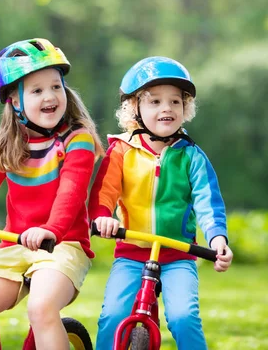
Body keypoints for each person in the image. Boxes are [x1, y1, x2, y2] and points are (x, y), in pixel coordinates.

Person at [0, 38, 103, 350]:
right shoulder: (7, 143)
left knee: (41, 308)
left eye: (56, 86)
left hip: (62, 245)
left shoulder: (76, 140)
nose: (50, 96)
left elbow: (71, 191)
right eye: (37, 90)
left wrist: (50, 230)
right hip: (14, 246)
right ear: (15, 101)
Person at [88, 56, 233, 350]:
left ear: (185, 109)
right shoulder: (121, 151)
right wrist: (103, 215)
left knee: (183, 317)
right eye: (155, 102)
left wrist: (217, 237)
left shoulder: (191, 155)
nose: (166, 108)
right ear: (135, 109)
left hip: (178, 254)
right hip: (131, 252)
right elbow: (104, 191)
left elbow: (208, 201)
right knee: (113, 316)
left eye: (175, 102)